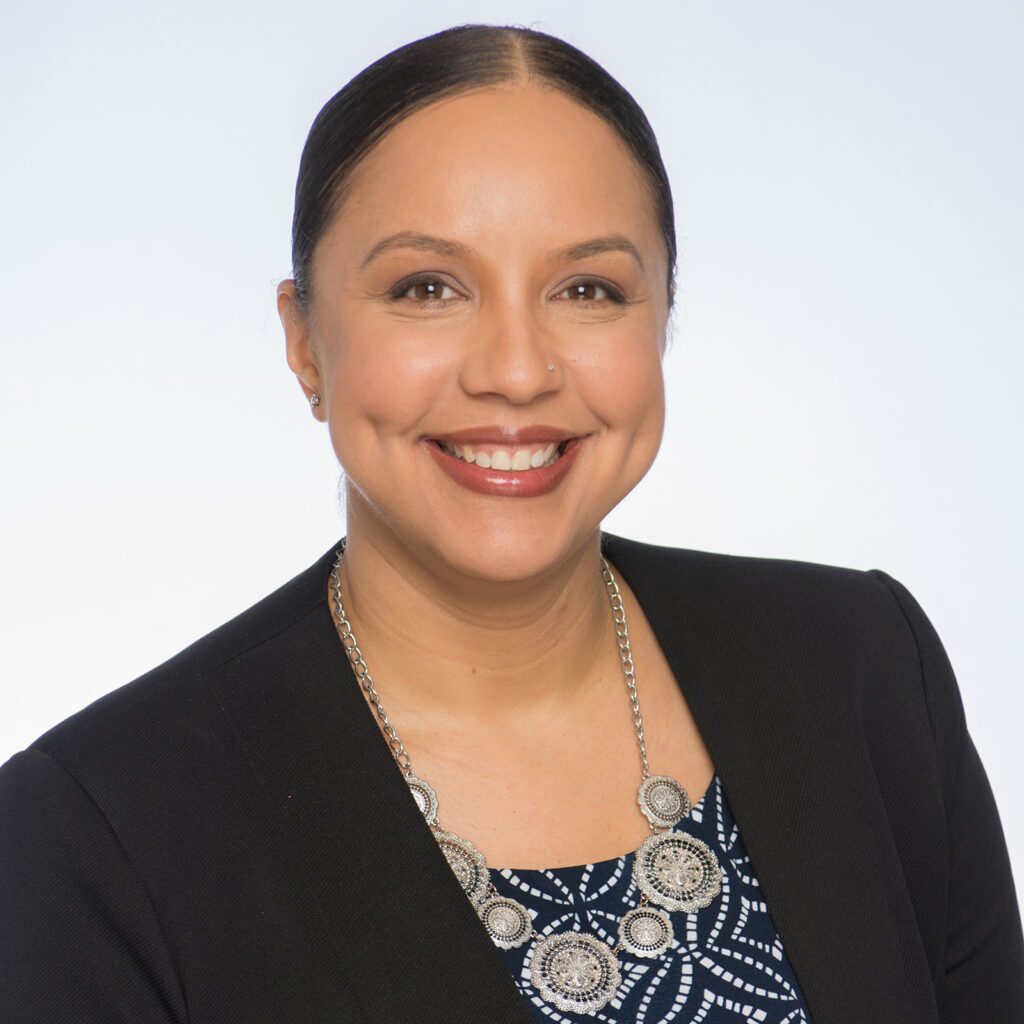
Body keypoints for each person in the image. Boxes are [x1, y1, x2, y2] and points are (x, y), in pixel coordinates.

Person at [1, 24, 1021, 1024]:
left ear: (663, 314)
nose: (517, 370)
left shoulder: (860, 667)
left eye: (587, 289)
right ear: (305, 340)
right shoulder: (98, 831)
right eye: (427, 288)